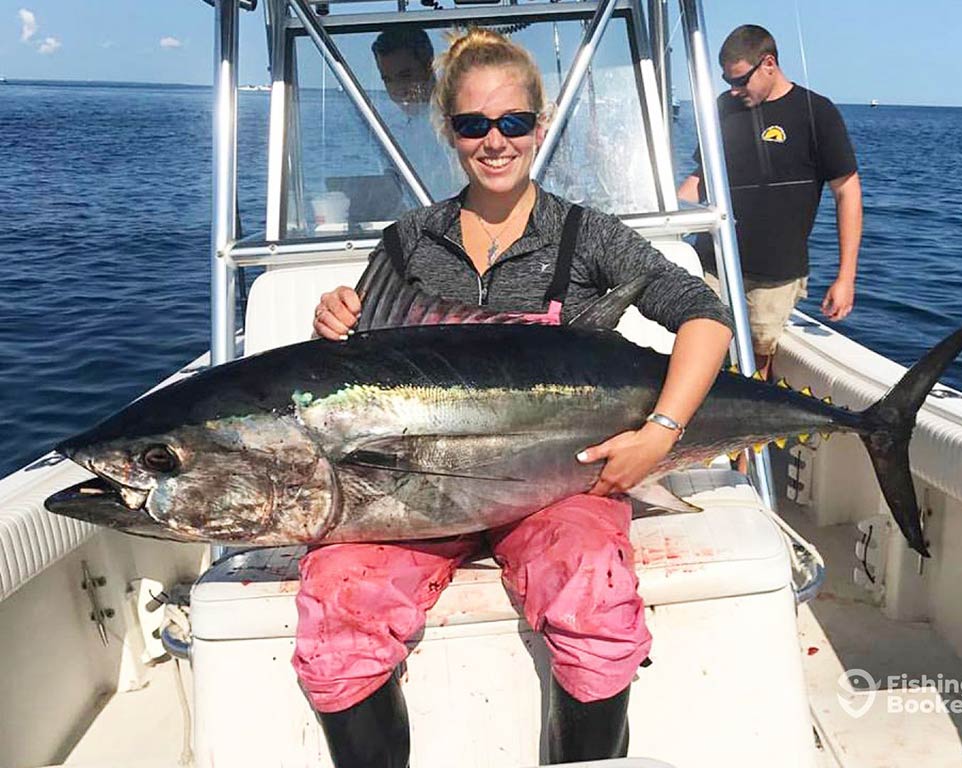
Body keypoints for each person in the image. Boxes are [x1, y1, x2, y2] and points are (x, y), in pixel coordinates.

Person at [299, 27, 734, 767]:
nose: (494, 141)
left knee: (593, 594)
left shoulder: (585, 236)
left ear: (541, 124)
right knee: (339, 607)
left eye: (513, 123)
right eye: (473, 125)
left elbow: (703, 314)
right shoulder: (407, 241)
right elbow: (358, 374)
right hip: (413, 496)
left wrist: (662, 431)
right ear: (449, 130)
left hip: (560, 480)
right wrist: (336, 320)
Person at [678, 24, 862, 379]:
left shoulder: (816, 113)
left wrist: (846, 277)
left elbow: (847, 192)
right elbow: (701, 177)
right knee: (696, 345)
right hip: (713, 261)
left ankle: (748, 435)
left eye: (741, 81)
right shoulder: (725, 107)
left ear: (768, 64)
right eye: (727, 82)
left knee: (757, 359)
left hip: (774, 273)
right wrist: (665, 213)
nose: (734, 90)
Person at [371, 27, 464, 200]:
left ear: (430, 66)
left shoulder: (459, 121)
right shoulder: (397, 133)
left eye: (405, 76)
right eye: (388, 80)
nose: (397, 89)